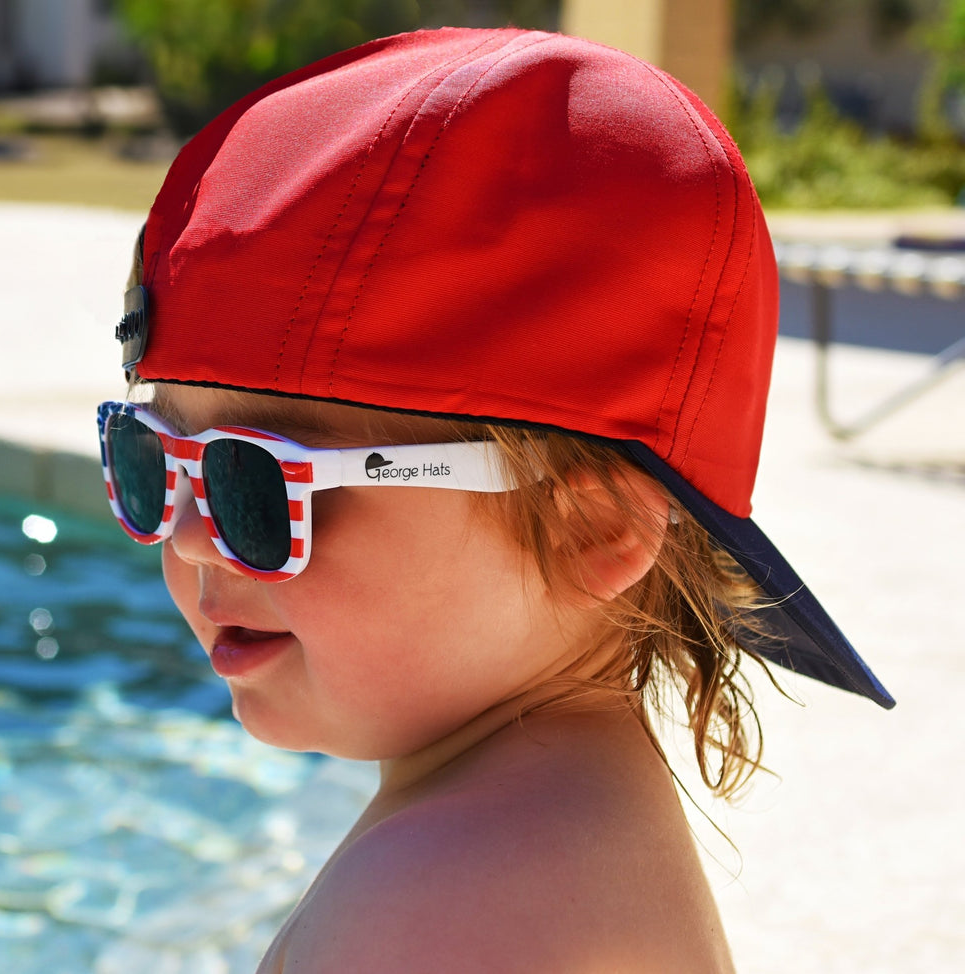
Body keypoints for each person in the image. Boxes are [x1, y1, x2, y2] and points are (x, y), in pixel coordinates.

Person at [97, 27, 893, 972]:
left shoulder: (445, 907)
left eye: (255, 481)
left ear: (593, 526)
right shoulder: (541, 830)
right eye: (152, 459)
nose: (189, 538)